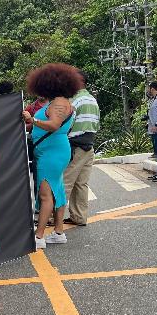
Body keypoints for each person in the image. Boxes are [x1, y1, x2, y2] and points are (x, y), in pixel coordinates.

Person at [21, 64, 78, 250]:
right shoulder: (58, 102)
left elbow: (53, 125)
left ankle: (38, 236)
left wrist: (32, 120)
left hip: (52, 153)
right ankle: (58, 232)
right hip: (54, 151)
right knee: (57, 190)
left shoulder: (59, 103)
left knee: (46, 195)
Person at [63, 77, 100, 226]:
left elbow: (66, 124)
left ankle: (53, 217)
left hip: (75, 145)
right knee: (81, 184)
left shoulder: (75, 100)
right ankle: (79, 217)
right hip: (89, 144)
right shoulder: (92, 99)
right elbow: (96, 123)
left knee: (65, 182)